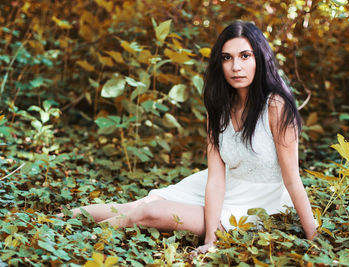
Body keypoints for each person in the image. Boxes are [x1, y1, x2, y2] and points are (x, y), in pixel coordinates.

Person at [59, 21, 317, 253]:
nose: (236, 66)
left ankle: (83, 236)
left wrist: (314, 238)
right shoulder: (219, 107)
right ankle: (60, 219)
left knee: (150, 212)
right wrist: (211, 240)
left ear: (260, 58)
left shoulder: (276, 106)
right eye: (227, 58)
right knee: (136, 205)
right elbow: (215, 178)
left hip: (258, 203)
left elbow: (292, 179)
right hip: (220, 187)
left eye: (245, 56)